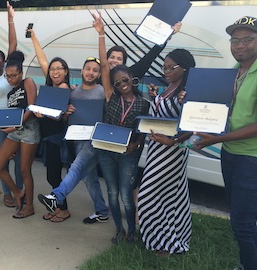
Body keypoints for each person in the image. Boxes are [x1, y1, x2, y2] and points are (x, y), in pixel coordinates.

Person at [92, 11, 181, 223]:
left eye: (118, 59)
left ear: (132, 78)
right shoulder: (108, 90)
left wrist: (169, 33)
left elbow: (152, 54)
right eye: (111, 58)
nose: (122, 84)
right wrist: (101, 34)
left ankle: (133, 224)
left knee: (126, 191)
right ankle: (120, 227)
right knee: (113, 192)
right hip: (108, 147)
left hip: (129, 149)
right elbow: (103, 66)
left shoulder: (140, 99)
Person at [194, 16, 257, 270]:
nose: (240, 45)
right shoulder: (233, 71)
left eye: (248, 39)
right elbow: (221, 107)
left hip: (250, 158)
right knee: (242, 217)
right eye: (235, 40)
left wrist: (217, 138)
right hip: (230, 154)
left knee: (241, 223)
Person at [37, 57, 109, 224]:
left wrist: (100, 34)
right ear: (82, 71)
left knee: (76, 168)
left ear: (99, 74)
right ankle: (102, 211)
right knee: (89, 178)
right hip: (76, 139)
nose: (91, 72)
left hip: (94, 140)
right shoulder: (73, 92)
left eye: (95, 70)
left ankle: (56, 196)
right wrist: (66, 112)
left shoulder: (102, 91)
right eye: (88, 69)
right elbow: (62, 119)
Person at [137, 49, 195, 255]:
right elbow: (162, 112)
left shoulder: (187, 91)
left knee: (147, 195)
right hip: (156, 148)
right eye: (165, 67)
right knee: (169, 196)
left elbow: (192, 125)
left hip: (172, 151)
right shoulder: (169, 87)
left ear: (185, 68)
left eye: (172, 67)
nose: (167, 71)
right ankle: (169, 238)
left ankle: (165, 242)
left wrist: (174, 141)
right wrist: (155, 97)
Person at [28, 28, 72, 222]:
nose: (55, 71)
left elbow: (59, 118)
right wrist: (34, 37)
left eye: (59, 69)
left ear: (66, 72)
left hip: (56, 138)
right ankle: (58, 206)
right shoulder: (52, 87)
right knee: (52, 176)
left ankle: (63, 209)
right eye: (53, 69)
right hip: (48, 136)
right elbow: (42, 59)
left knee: (53, 176)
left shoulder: (63, 88)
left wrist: (42, 113)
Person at [0, 51, 40, 218]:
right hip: (15, 131)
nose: (11, 79)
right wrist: (8, 126)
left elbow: (32, 108)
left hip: (29, 131)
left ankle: (29, 206)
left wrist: (15, 126)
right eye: (8, 76)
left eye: (14, 75)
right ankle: (18, 192)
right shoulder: (11, 92)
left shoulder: (28, 82)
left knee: (25, 170)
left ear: (21, 73)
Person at [0, 1, 23, 207]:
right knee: (2, 160)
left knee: (19, 161)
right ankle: (9, 192)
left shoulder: (8, 73)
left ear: (4, 61)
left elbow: (13, 45)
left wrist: (10, 19)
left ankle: (20, 190)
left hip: (17, 119)